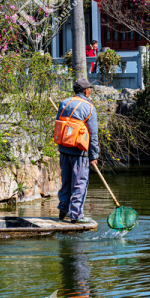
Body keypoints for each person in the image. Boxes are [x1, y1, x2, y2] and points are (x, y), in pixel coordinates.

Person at [56, 77, 99, 223]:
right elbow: (93, 135)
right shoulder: (89, 108)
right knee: (80, 183)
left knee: (66, 181)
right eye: (89, 89)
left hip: (63, 149)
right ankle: (76, 216)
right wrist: (94, 156)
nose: (90, 91)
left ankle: (63, 210)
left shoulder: (64, 103)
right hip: (79, 151)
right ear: (86, 90)